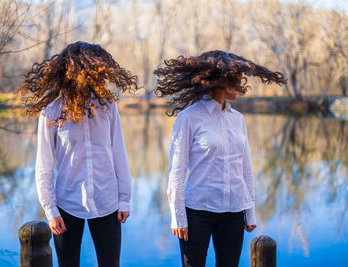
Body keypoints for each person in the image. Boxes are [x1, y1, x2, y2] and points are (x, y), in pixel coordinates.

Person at [154, 50, 287, 267]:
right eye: (236, 78)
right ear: (220, 82)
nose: (241, 84)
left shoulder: (238, 119)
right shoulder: (188, 118)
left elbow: (245, 169)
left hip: (234, 212)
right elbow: (177, 172)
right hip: (197, 212)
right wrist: (178, 216)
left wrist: (250, 212)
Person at [17, 41, 139, 267]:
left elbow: (120, 155)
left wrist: (125, 199)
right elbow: (43, 166)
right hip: (67, 203)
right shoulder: (51, 112)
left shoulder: (108, 108)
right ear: (72, 73)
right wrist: (50, 210)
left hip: (107, 201)